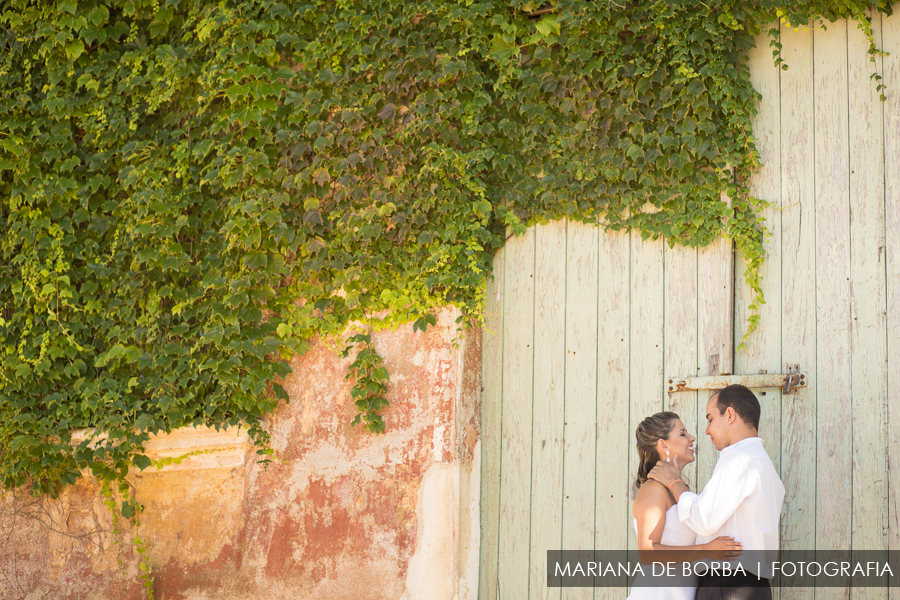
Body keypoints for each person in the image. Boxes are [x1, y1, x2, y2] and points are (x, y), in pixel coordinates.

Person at [648, 385, 785, 600]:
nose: (706, 430)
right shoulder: (762, 464)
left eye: (710, 419)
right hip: (750, 586)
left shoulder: (740, 459)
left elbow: (704, 519)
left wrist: (675, 483)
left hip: (728, 586)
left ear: (729, 415)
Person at [627, 411, 743, 600]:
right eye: (682, 434)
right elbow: (647, 554)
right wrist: (707, 550)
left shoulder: (678, 491)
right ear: (663, 444)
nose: (692, 438)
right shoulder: (654, 490)